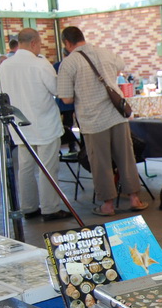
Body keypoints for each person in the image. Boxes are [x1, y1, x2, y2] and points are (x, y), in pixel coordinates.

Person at [57, 26, 147, 216]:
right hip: (116, 114)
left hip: (93, 120)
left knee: (101, 163)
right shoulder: (105, 53)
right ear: (83, 37)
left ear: (66, 43)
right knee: (126, 158)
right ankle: (134, 199)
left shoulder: (69, 63)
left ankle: (107, 205)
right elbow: (120, 67)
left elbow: (66, 99)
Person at [0, 28, 72, 222]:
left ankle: (29, 207)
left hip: (20, 124)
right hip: (44, 122)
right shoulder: (40, 64)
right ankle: (50, 208)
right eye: (39, 43)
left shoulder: (5, 65)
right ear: (33, 43)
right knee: (47, 167)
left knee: (25, 167)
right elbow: (56, 89)